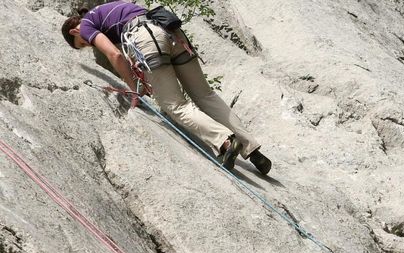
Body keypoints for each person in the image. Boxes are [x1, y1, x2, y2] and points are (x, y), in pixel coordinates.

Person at [61, 1, 272, 174]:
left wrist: (135, 89)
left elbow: (114, 55)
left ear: (74, 31)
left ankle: (225, 142)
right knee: (205, 95)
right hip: (170, 31)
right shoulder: (107, 10)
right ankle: (253, 150)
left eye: (82, 43)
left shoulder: (87, 25)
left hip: (145, 37)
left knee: (174, 105)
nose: (88, 44)